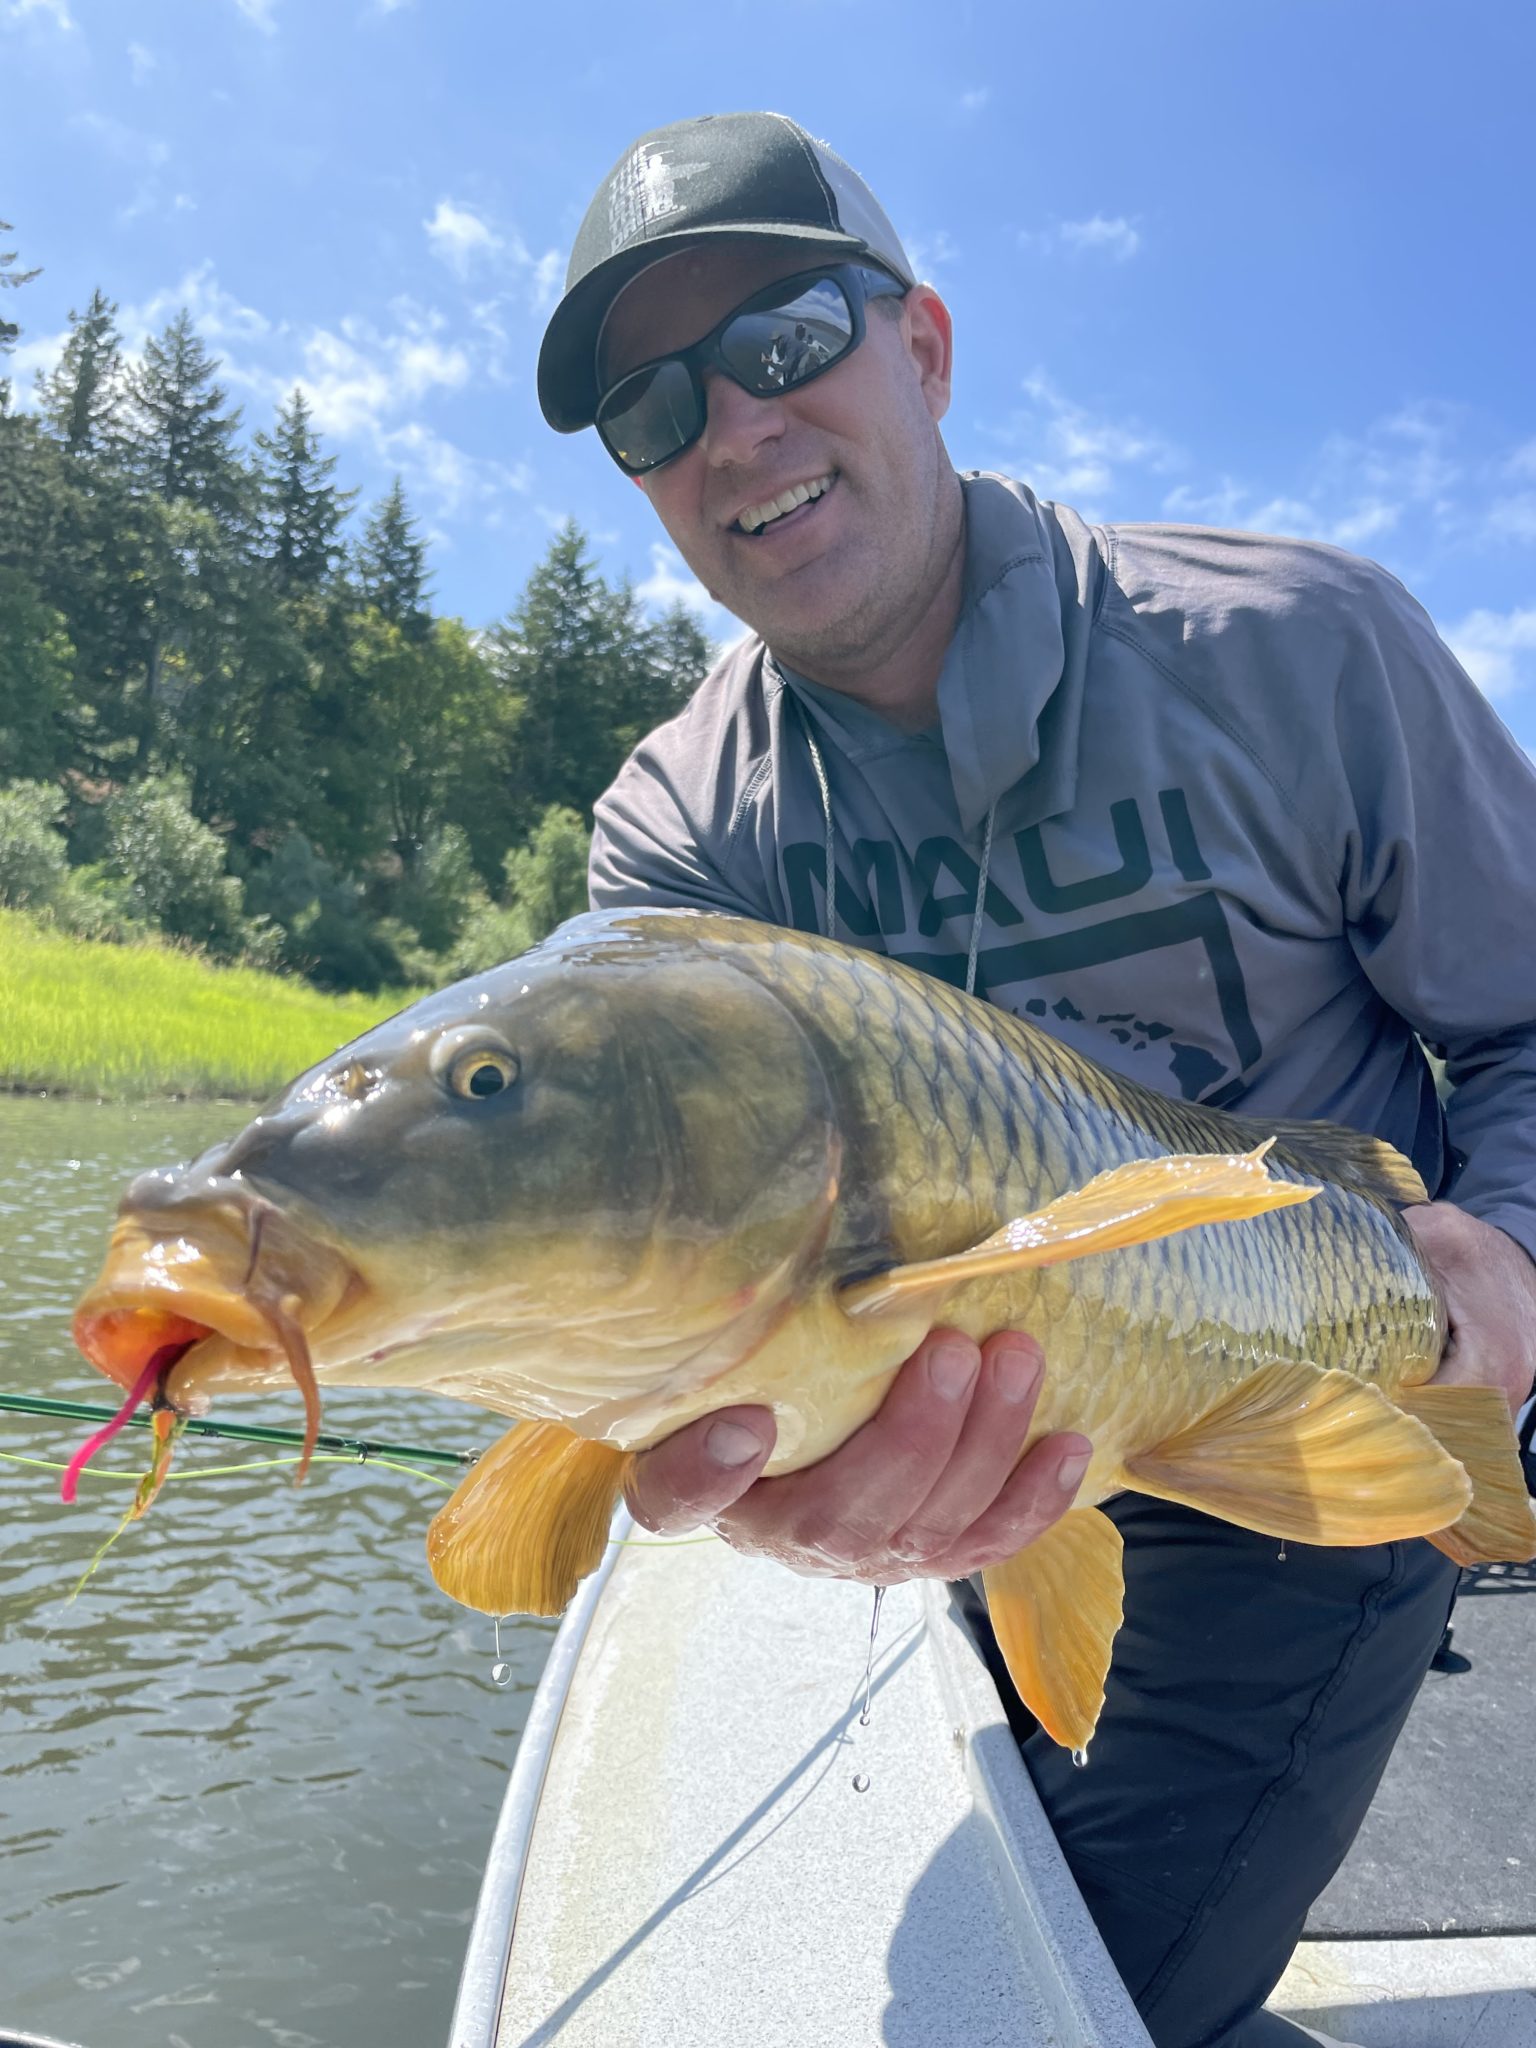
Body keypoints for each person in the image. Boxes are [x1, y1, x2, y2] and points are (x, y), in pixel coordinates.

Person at [536, 111, 1536, 2048]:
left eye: (779, 341)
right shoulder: (674, 842)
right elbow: (685, 1252)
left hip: (1319, 1408)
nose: (730, 428)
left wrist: (1505, 1241)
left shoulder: (1301, 648)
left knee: (1080, 1997)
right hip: (993, 1456)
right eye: (651, 409)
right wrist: (731, 1450)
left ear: (920, 347)